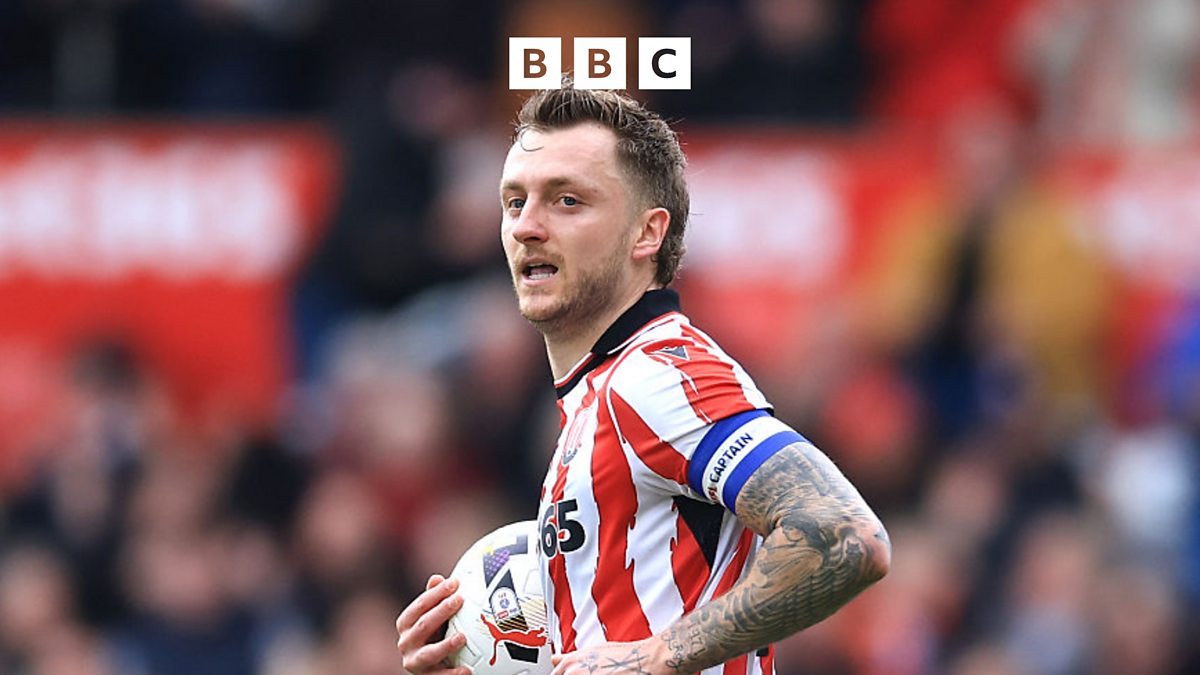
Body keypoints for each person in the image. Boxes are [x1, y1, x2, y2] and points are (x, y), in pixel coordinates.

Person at [395, 84, 890, 675]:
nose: (526, 226)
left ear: (647, 233)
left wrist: (663, 652)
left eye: (567, 200)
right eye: (514, 202)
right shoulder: (597, 397)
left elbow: (844, 536)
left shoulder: (660, 374)